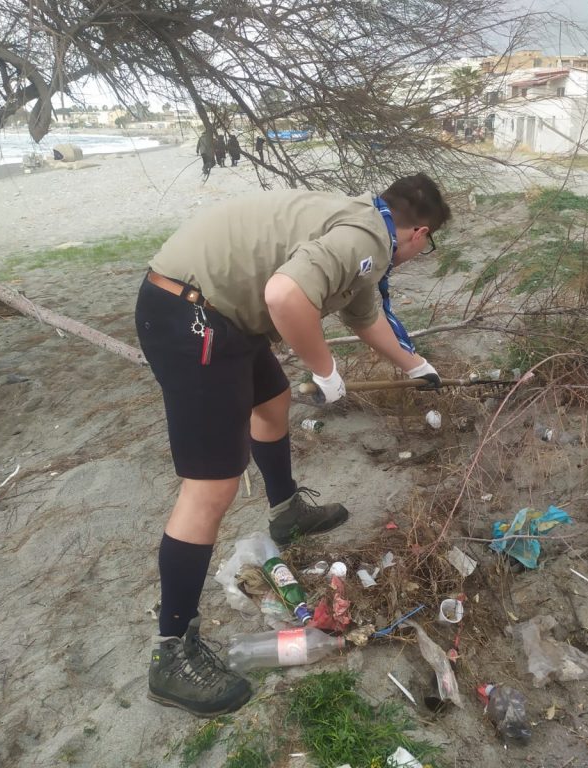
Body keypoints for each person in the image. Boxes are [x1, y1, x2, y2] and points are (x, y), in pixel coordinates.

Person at [135, 173, 450, 718]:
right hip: (192, 315)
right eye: (429, 245)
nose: (423, 253)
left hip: (221, 313)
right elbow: (285, 296)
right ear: (418, 233)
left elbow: (367, 315)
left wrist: (414, 365)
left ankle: (285, 511)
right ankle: (171, 653)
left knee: (272, 399)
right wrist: (325, 369)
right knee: (211, 487)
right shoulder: (367, 238)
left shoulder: (361, 227)